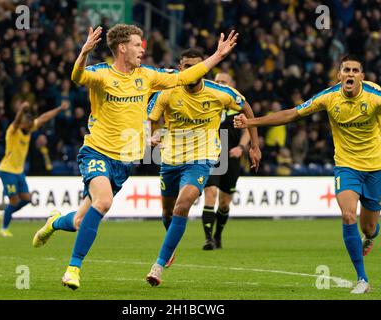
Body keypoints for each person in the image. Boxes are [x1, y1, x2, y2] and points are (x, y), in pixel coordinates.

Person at [32, 24, 239, 291]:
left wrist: (217, 57)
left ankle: (54, 222)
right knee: (104, 202)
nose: (142, 50)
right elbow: (77, 76)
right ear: (122, 47)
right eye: (136, 45)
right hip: (97, 151)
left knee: (81, 220)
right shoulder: (102, 74)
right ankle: (73, 268)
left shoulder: (148, 76)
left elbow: (185, 77)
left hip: (124, 161)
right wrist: (83, 53)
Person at [234, 54, 381, 294]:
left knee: (369, 227)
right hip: (347, 165)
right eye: (346, 70)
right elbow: (292, 114)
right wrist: (253, 122)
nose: (350, 74)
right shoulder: (328, 97)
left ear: (362, 76)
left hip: (376, 166)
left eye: (355, 70)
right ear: (339, 75)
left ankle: (371, 235)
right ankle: (362, 279)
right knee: (348, 216)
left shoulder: (375, 97)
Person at [145, 48, 261, 287]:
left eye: (197, 66)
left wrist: (254, 146)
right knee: (167, 213)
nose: (192, 71)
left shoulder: (220, 93)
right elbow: (152, 118)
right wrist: (155, 134)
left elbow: (246, 107)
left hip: (202, 158)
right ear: (180, 69)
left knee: (182, 205)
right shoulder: (167, 92)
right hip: (171, 158)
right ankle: (171, 246)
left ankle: (158, 265)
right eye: (187, 66)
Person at [201, 72, 259, 251]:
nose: (219, 84)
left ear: (232, 84)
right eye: (217, 81)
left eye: (223, 82)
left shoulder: (239, 106)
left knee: (225, 202)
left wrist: (241, 147)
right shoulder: (207, 103)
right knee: (210, 194)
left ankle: (218, 235)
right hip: (211, 156)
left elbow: (248, 128)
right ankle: (208, 239)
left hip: (231, 158)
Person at [0, 100, 69, 237]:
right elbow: (17, 120)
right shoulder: (13, 130)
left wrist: (60, 108)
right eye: (29, 125)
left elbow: (44, 118)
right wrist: (21, 110)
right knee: (14, 201)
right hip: (7, 170)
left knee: (26, 198)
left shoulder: (28, 129)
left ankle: (5, 212)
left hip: (19, 171)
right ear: (23, 123)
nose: (31, 127)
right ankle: (4, 228)